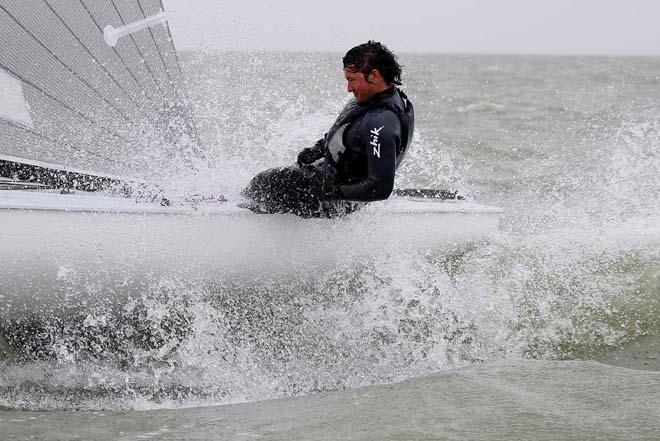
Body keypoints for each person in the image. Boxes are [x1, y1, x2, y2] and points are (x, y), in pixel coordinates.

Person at [242, 40, 415, 218]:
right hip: (331, 177)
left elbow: (380, 188)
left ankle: (246, 214)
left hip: (337, 199)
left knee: (274, 181)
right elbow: (350, 133)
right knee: (278, 178)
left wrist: (333, 191)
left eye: (352, 80)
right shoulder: (372, 99)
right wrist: (318, 149)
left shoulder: (381, 124)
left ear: (374, 76)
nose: (348, 88)